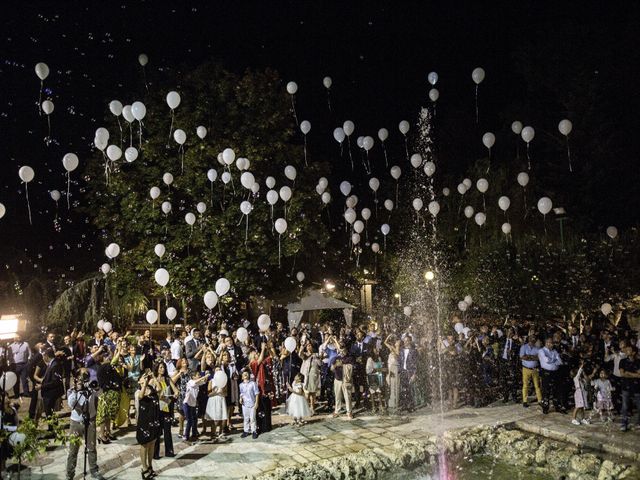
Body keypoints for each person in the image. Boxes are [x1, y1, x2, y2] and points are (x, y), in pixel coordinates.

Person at [66, 369, 104, 480]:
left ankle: (94, 471)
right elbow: (71, 404)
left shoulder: (91, 388)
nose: (84, 378)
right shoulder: (71, 390)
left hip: (90, 421)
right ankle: (70, 474)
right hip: (76, 423)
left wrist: (96, 387)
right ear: (77, 378)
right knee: (73, 450)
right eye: (82, 376)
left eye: (86, 375)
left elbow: (101, 394)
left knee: (92, 447)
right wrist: (77, 390)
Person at [137, 370, 161, 479]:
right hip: (144, 421)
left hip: (154, 419)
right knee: (144, 444)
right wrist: (145, 384)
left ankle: (150, 465)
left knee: (152, 442)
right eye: (143, 376)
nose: (145, 377)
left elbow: (160, 390)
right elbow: (141, 396)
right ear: (139, 381)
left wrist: (154, 378)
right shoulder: (138, 391)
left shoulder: (152, 389)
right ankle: (144, 467)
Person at [153, 362, 178, 459]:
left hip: (166, 408)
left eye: (163, 367)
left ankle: (169, 452)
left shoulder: (168, 379)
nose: (162, 369)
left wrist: (176, 394)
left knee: (167, 431)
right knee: (157, 432)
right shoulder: (153, 380)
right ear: (157, 369)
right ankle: (155, 453)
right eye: (160, 367)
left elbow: (176, 390)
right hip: (157, 409)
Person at [538, 337, 565, 414]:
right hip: (546, 373)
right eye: (549, 343)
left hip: (555, 373)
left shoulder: (554, 351)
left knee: (556, 390)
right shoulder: (541, 351)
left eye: (552, 343)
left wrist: (552, 360)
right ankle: (545, 408)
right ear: (546, 343)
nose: (551, 344)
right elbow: (546, 360)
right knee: (546, 390)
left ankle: (557, 406)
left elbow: (560, 362)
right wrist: (554, 359)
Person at [619, 344, 640, 432]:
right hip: (626, 387)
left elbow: (639, 375)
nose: (627, 351)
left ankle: (639, 423)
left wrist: (628, 373)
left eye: (629, 350)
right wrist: (634, 374)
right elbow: (622, 374)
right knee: (625, 407)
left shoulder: (638, 362)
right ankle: (624, 424)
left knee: (639, 407)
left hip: (637, 387)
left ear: (634, 352)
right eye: (626, 349)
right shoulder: (622, 361)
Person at [182, 370, 208, 441]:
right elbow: (196, 382)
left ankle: (194, 433)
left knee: (195, 420)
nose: (199, 376)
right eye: (198, 375)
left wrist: (206, 376)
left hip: (193, 405)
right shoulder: (190, 382)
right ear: (193, 377)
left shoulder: (197, 383)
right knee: (189, 420)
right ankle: (186, 435)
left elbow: (204, 382)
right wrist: (204, 376)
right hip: (187, 404)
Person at [331, 344, 354, 419]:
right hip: (337, 379)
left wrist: (343, 365)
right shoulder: (336, 358)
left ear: (346, 350)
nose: (342, 352)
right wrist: (335, 366)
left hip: (346, 380)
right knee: (337, 396)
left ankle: (349, 412)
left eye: (344, 350)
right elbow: (331, 368)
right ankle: (337, 411)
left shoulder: (350, 358)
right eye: (341, 350)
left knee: (347, 396)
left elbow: (351, 367)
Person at [519, 334, 542, 408]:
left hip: (535, 369)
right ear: (529, 339)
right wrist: (533, 357)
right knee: (525, 385)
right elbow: (522, 357)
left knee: (537, 386)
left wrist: (528, 356)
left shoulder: (537, 348)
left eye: (534, 338)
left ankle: (540, 400)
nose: (533, 339)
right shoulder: (524, 347)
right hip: (526, 369)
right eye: (531, 338)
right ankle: (525, 401)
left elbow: (539, 358)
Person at [205, 367, 228, 441]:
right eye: (216, 370)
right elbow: (208, 394)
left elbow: (226, 393)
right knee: (214, 419)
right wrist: (215, 392)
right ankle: (213, 434)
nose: (218, 371)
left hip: (221, 399)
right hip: (213, 400)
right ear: (214, 372)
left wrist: (222, 392)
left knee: (221, 417)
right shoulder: (211, 381)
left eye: (219, 370)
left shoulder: (224, 381)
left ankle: (220, 432)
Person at [40, 348, 64, 419]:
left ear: (46, 356)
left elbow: (55, 381)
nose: (43, 358)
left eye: (43, 356)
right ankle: (51, 427)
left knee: (50, 413)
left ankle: (52, 428)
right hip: (49, 393)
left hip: (52, 394)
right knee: (49, 413)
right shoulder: (51, 364)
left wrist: (42, 386)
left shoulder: (55, 365)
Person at [299, 342, 321, 415]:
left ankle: (312, 408)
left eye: (310, 345)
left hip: (314, 375)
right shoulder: (305, 354)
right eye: (308, 345)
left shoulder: (316, 355)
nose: (309, 346)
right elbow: (300, 354)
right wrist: (302, 347)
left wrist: (317, 358)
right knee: (306, 393)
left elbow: (320, 363)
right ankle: (306, 409)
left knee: (313, 393)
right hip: (306, 376)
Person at [239, 370, 260, 439]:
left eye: (246, 374)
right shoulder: (241, 385)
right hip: (245, 404)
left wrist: (256, 403)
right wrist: (241, 398)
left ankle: (254, 431)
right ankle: (246, 430)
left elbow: (256, 393)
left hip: (252, 403)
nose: (245, 375)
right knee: (246, 418)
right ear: (242, 377)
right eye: (244, 374)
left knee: (252, 418)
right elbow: (242, 393)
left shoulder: (253, 384)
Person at [399, 336, 418, 411]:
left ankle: (411, 406)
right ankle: (405, 405)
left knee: (410, 390)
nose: (405, 342)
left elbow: (416, 363)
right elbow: (400, 361)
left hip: (410, 372)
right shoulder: (401, 350)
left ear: (410, 341)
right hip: (403, 371)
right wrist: (400, 370)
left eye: (407, 341)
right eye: (404, 341)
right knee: (404, 389)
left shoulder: (414, 351)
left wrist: (414, 374)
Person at [366, 344, 386, 414]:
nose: (377, 350)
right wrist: (380, 369)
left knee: (379, 392)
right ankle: (373, 407)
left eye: (378, 349)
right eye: (375, 349)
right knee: (373, 392)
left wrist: (381, 369)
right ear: (372, 350)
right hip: (372, 377)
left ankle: (381, 406)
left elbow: (380, 367)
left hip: (378, 377)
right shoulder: (370, 359)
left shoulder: (379, 358)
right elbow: (369, 370)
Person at [385, 335, 401, 413]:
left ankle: (396, 404)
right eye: (397, 342)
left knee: (395, 386)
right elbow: (385, 342)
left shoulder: (397, 350)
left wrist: (393, 349)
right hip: (390, 368)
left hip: (395, 368)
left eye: (398, 342)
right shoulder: (392, 348)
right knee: (391, 386)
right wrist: (389, 336)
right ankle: (392, 403)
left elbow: (397, 355)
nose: (397, 343)